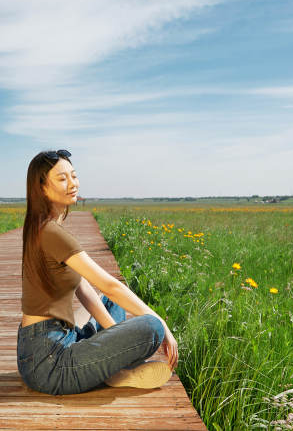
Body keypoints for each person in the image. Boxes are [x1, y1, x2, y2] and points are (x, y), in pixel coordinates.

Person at [17, 149, 179, 395]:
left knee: (109, 303)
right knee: (151, 327)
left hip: (45, 346)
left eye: (73, 175)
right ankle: (116, 372)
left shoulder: (42, 227)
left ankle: (112, 366)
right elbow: (110, 285)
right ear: (41, 189)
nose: (72, 184)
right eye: (62, 179)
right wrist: (163, 324)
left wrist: (118, 341)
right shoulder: (50, 232)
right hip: (50, 364)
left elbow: (87, 292)